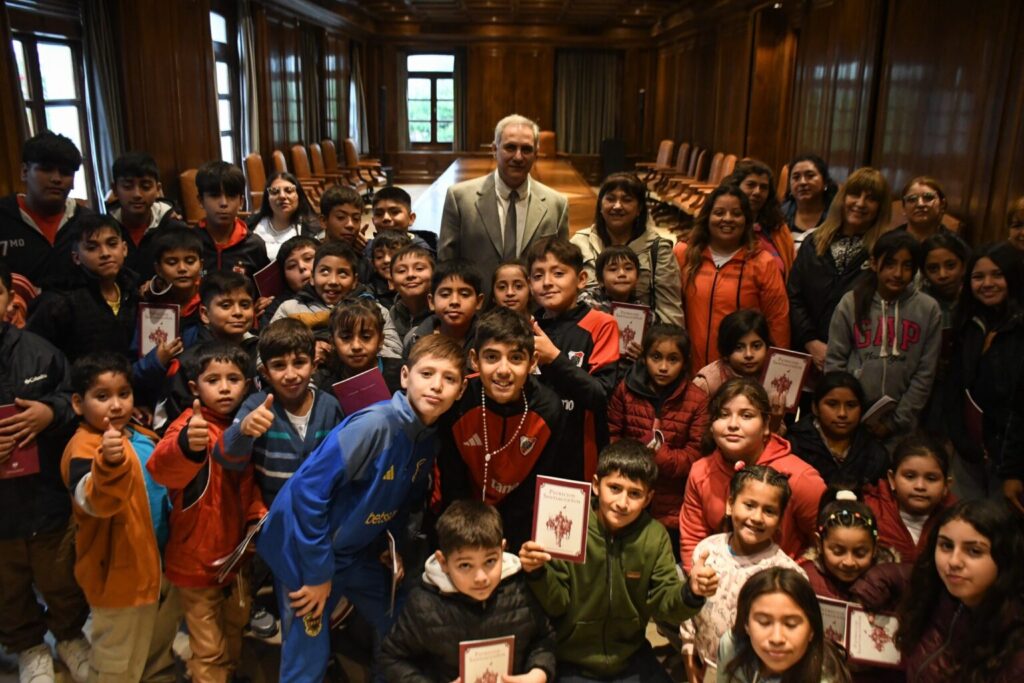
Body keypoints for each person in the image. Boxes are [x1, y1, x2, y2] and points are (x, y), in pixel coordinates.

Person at [256, 335, 468, 683]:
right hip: (303, 551)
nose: (436, 386)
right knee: (307, 656)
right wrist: (316, 574)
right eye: (427, 373)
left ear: (460, 391)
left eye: (449, 379)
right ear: (405, 377)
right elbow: (308, 493)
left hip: (353, 553)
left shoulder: (427, 438)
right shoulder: (375, 424)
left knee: (401, 620)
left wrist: (392, 547)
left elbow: (402, 500)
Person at [519, 439, 713, 683]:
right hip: (572, 660)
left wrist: (691, 592)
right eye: (615, 488)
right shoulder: (569, 524)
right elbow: (557, 604)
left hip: (630, 656)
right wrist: (537, 572)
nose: (622, 503)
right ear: (597, 485)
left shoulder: (654, 536)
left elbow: (664, 604)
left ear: (648, 498)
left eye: (635, 494)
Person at [146, 342, 265, 683]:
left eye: (234, 379)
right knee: (209, 646)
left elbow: (248, 483)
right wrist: (186, 444)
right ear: (196, 388)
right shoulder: (189, 424)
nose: (225, 387)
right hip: (195, 559)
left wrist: (257, 516)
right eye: (214, 380)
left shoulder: (242, 426)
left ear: (248, 384)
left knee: (235, 627)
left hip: (235, 556)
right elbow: (161, 468)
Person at [0, 259, 91, 683]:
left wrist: (48, 412)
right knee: (9, 586)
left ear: (8, 300)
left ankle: (69, 636)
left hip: (46, 496)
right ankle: (28, 646)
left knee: (60, 575)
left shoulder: (39, 350)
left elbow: (73, 397)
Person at [62, 353, 176, 683]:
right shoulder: (85, 447)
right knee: (116, 655)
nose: (115, 405)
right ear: (77, 403)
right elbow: (92, 499)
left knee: (156, 643)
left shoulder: (140, 435)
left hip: (156, 562)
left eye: (123, 394)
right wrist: (108, 466)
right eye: (102, 396)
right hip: (116, 573)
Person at [379, 500, 556, 682]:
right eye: (465, 565)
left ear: (503, 550)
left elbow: (544, 638)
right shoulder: (424, 605)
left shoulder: (521, 589)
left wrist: (538, 673)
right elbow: (392, 657)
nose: (480, 577)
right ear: (443, 562)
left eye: (490, 561)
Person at [436, 307, 568, 551]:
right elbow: (452, 483)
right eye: (492, 357)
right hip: (464, 521)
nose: (504, 370)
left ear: (533, 362)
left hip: (521, 528)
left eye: (516, 358)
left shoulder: (549, 408)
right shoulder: (459, 402)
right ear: (475, 360)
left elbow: (540, 487)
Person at [851, 499, 1024, 682]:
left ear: (1005, 558)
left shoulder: (1016, 649)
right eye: (946, 546)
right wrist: (863, 599)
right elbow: (891, 574)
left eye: (974, 551)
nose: (954, 562)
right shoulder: (936, 585)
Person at [679, 379, 825, 572]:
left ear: (766, 424)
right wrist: (700, 578)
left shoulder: (799, 477)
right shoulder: (701, 471)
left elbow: (825, 541)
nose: (732, 425)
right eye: (723, 415)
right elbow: (692, 539)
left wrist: (790, 579)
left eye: (746, 416)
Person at [682, 464, 805, 683]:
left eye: (769, 511)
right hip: (707, 670)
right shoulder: (706, 551)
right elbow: (690, 620)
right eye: (749, 505)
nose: (757, 517)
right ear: (730, 504)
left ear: (780, 519)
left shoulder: (787, 574)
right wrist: (690, 663)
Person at [825, 229, 942, 442]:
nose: (898, 273)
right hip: (852, 419)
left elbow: (925, 372)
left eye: (907, 266)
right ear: (873, 263)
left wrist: (897, 420)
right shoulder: (851, 303)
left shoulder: (928, 309)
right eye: (890, 264)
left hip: (904, 424)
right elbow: (835, 362)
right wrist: (847, 410)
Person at [217, 318, 342, 505]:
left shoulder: (329, 406)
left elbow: (340, 463)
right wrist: (243, 430)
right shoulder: (256, 406)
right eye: (279, 366)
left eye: (299, 363)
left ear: (314, 365)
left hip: (320, 512)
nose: (291, 375)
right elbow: (226, 458)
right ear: (265, 372)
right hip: (271, 514)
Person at [607, 323, 707, 556]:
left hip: (670, 505)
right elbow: (612, 433)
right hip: (628, 491)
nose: (663, 367)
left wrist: (659, 455)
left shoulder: (697, 400)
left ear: (685, 362)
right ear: (643, 357)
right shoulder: (626, 390)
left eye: (673, 359)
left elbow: (695, 455)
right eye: (656, 357)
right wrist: (631, 461)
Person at [439, 114, 569, 291]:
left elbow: (562, 265)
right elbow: (447, 262)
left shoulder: (557, 204)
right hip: (477, 310)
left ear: (536, 154)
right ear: (494, 149)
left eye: (526, 149)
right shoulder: (460, 198)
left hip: (534, 312)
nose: (518, 157)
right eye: (510, 147)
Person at [528, 237, 620, 481]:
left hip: (579, 455)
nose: (547, 283)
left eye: (558, 273)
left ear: (581, 280)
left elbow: (600, 394)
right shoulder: (525, 327)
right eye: (537, 276)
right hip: (529, 452)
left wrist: (554, 358)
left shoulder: (601, 324)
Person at [674, 184, 789, 371]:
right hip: (689, 369)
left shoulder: (763, 263)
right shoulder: (683, 254)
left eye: (736, 213)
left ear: (746, 220)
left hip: (741, 374)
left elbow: (778, 322)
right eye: (719, 212)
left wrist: (774, 373)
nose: (727, 219)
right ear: (707, 217)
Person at [788, 166, 892, 371]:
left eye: (870, 198)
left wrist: (840, 353)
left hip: (856, 360)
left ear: (880, 207)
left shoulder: (884, 252)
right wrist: (811, 342)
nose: (860, 203)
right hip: (805, 352)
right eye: (855, 194)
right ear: (843, 198)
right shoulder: (813, 241)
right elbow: (794, 296)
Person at [946, 244, 1024, 499]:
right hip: (970, 454)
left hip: (1011, 460)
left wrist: (1012, 468)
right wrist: (963, 442)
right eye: (978, 277)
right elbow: (955, 387)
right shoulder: (970, 322)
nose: (987, 283)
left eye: (997, 275)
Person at [571, 172, 683, 325]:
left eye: (627, 200)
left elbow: (670, 315)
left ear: (639, 209)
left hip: (641, 343)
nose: (617, 206)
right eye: (610, 199)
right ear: (600, 206)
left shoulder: (658, 249)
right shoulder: (580, 243)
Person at [152, 271, 257, 430]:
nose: (237, 312)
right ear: (205, 314)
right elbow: (165, 421)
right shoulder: (188, 361)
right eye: (226, 305)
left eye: (245, 305)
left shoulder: (262, 352)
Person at [27, 214, 139, 362]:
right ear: (76, 257)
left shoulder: (132, 291)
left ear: (124, 249)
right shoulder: (58, 302)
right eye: (92, 248)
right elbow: (34, 358)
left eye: (112, 244)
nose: (105, 253)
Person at [716, 567, 851, 683]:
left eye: (791, 624)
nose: (777, 638)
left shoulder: (827, 677)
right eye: (764, 622)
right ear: (746, 624)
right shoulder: (731, 648)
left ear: (812, 630)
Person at [0, 131, 95, 290]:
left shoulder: (88, 223)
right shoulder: (3, 217)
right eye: (46, 169)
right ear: (24, 172)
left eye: (65, 172)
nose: (56, 179)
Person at [787, 372, 888, 490]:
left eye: (851, 405)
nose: (842, 413)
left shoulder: (874, 452)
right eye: (832, 404)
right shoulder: (794, 445)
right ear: (815, 407)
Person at [862, 435, 955, 564]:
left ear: (946, 485)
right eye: (910, 476)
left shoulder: (958, 519)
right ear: (892, 479)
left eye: (931, 478)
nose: (920, 486)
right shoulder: (867, 512)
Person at [799, 491, 897, 601]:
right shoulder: (804, 578)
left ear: (875, 548)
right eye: (838, 551)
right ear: (819, 544)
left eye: (860, 553)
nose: (849, 562)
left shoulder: (891, 584)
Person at [107, 152, 188, 280]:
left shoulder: (176, 229)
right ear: (115, 189)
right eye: (128, 187)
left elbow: (196, 273)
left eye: (145, 186)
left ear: (157, 189)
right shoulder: (105, 230)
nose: (137, 194)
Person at [194, 160, 269, 277]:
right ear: (201, 201)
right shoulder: (190, 242)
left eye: (231, 196)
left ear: (241, 202)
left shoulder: (254, 245)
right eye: (214, 195)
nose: (224, 203)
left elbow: (264, 291)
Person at [401, 258, 484, 363]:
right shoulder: (415, 339)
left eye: (464, 294)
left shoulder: (488, 340)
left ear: (479, 301)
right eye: (445, 294)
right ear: (431, 302)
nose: (454, 301)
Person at [725, 158, 796, 279]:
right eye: (751, 185)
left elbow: (793, 269)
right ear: (736, 187)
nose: (757, 192)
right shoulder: (723, 225)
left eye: (763, 187)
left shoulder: (778, 228)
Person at [315, 299, 403, 395]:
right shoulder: (328, 390)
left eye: (366, 337)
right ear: (333, 342)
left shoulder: (402, 375)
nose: (356, 346)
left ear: (380, 340)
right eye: (346, 337)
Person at [247, 171, 321, 259]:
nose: (282, 196)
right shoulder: (251, 225)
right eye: (274, 192)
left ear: (299, 195)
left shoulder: (312, 230)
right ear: (267, 198)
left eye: (289, 191)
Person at [780, 153, 838, 250]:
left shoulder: (837, 216)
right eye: (796, 177)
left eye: (810, 176)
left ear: (825, 182)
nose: (802, 182)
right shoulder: (779, 216)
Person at [259, 234, 319, 327]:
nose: (302, 267)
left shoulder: (344, 293)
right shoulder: (276, 309)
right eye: (291, 266)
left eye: (308, 258)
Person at [388, 243, 434, 340]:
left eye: (419, 268)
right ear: (391, 281)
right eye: (401, 271)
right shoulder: (391, 315)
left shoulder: (442, 314)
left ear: (434, 275)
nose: (410, 275)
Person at [896, 176, 952, 242]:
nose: (920, 204)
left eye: (928, 198)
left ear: (942, 204)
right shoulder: (889, 242)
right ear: (904, 208)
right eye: (912, 199)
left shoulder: (954, 246)